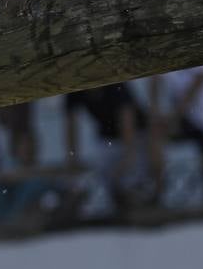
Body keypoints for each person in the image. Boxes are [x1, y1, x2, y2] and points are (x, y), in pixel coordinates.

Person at [150, 62, 203, 204]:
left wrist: (174, 116)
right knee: (156, 135)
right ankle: (158, 192)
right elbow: (154, 79)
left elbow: (198, 83)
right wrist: (155, 112)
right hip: (188, 118)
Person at [62, 82, 152, 212]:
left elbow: (127, 118)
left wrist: (129, 154)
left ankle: (137, 201)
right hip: (107, 136)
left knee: (130, 176)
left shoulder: (115, 84)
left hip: (136, 133)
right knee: (105, 177)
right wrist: (71, 156)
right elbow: (70, 124)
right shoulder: (74, 86)